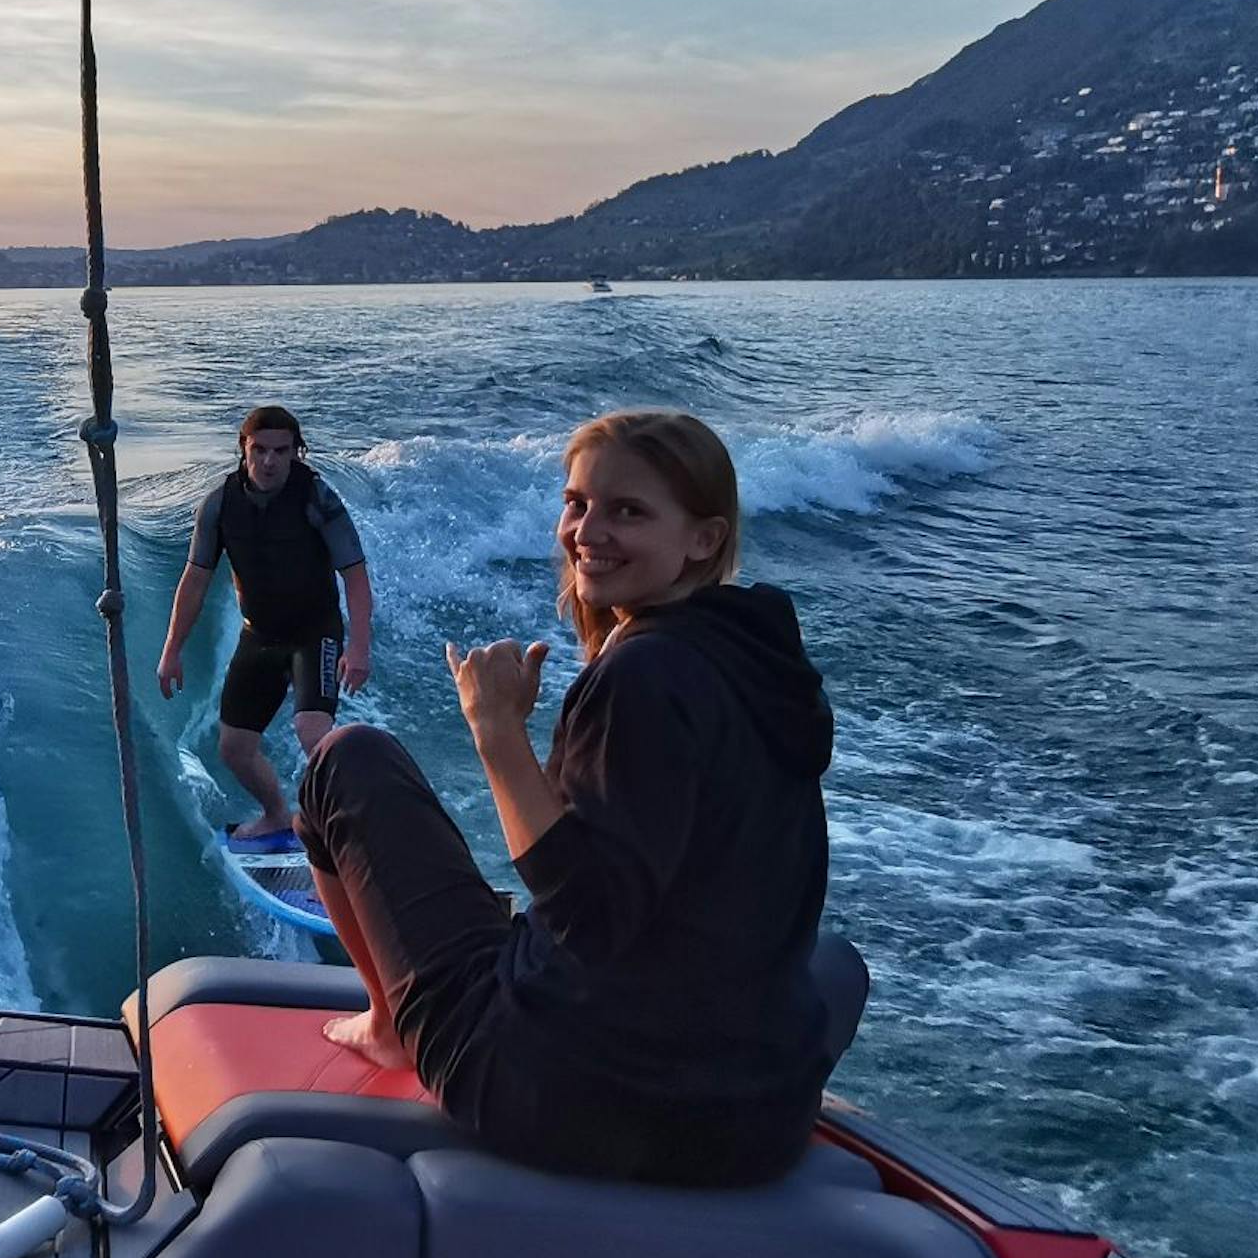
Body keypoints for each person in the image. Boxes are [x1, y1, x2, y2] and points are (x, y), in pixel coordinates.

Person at [298, 408, 838, 1188]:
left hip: (574, 1101)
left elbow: (589, 914)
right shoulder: (759, 662)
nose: (586, 530)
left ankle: (391, 1026)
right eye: (577, 502)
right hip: (757, 1120)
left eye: (629, 511)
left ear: (704, 538)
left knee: (346, 760)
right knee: (832, 965)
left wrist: (495, 730)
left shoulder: (645, 677)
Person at [155, 404, 375, 849]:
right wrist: (172, 648)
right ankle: (278, 816)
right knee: (234, 748)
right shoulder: (218, 504)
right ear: (243, 449)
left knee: (314, 734)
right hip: (259, 635)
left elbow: (354, 574)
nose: (270, 461)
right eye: (260, 450)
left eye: (281, 450)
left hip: (315, 632)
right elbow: (195, 578)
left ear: (297, 452)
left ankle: (355, 835)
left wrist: (360, 647)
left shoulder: (318, 498)